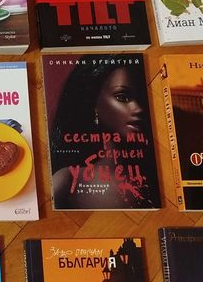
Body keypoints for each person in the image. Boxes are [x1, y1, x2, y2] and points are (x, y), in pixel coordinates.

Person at [50, 61, 158, 209]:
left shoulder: (157, 177)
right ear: (94, 103)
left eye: (142, 99)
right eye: (122, 97)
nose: (139, 109)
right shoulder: (69, 180)